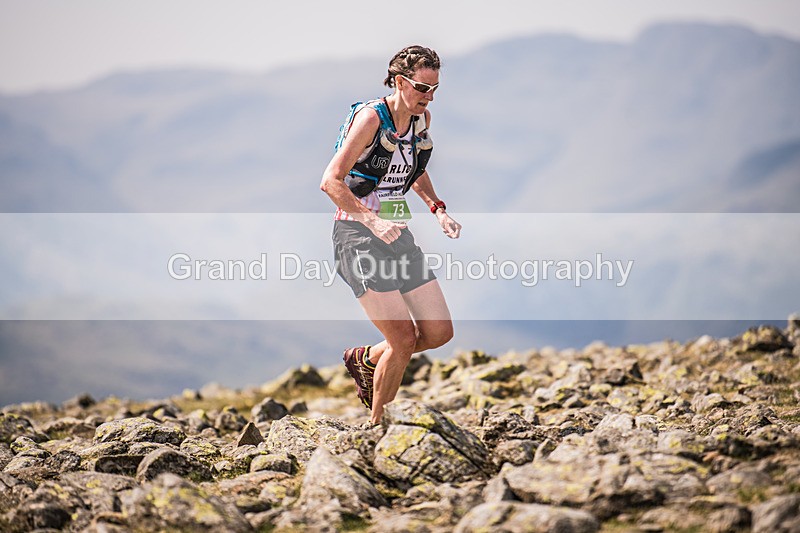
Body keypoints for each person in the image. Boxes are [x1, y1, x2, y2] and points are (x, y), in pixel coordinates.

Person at [320, 45, 461, 425]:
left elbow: (412, 169)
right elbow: (330, 182)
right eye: (420, 87)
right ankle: (378, 429)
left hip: (396, 233)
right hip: (357, 235)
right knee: (402, 340)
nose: (428, 97)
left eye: (433, 89)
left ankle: (366, 358)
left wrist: (437, 208)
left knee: (437, 332)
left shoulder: (421, 118)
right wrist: (372, 221)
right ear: (399, 81)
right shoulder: (370, 119)